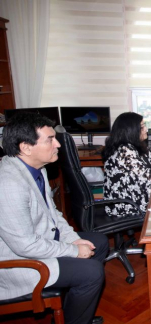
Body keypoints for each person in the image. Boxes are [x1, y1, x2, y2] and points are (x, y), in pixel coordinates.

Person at [0, 113, 108, 324]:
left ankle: (75, 309)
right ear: (26, 147)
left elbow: (53, 215)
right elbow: (25, 246)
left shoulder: (34, 169)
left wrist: (73, 239)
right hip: (19, 263)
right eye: (50, 139)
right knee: (92, 273)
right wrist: (74, 250)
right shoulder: (8, 184)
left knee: (99, 242)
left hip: (39, 243)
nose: (57, 144)